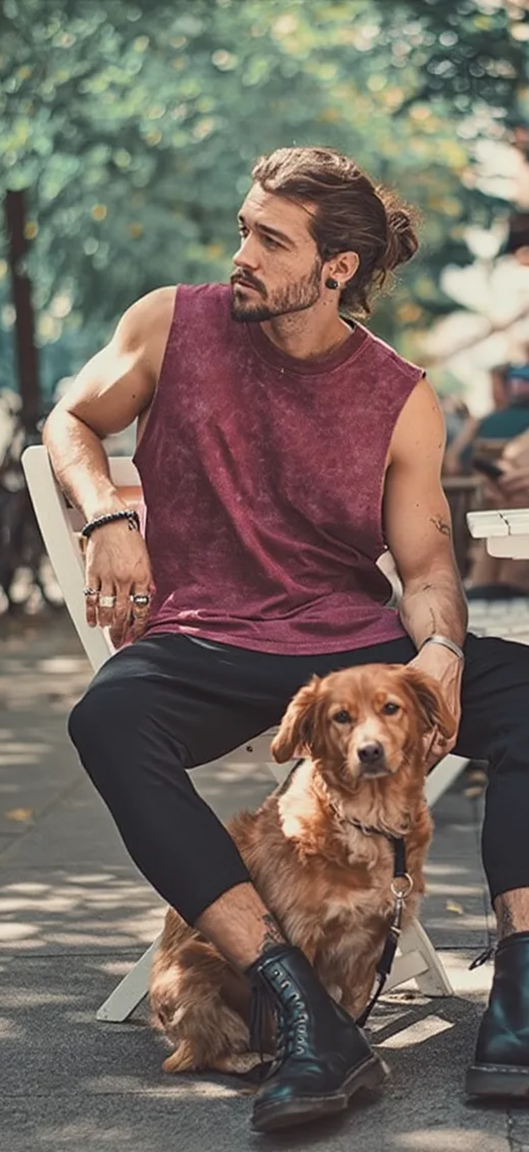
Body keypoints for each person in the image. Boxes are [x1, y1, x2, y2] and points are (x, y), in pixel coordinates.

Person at [43, 146, 529, 1131]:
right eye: (244, 230)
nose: (242, 255)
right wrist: (108, 516)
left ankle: (518, 994)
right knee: (108, 720)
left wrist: (439, 652)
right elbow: (72, 420)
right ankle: (300, 1009)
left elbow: (426, 570)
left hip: (349, 654)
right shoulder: (168, 322)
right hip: (205, 639)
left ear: (336, 267)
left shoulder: (399, 396)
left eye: (270, 240)